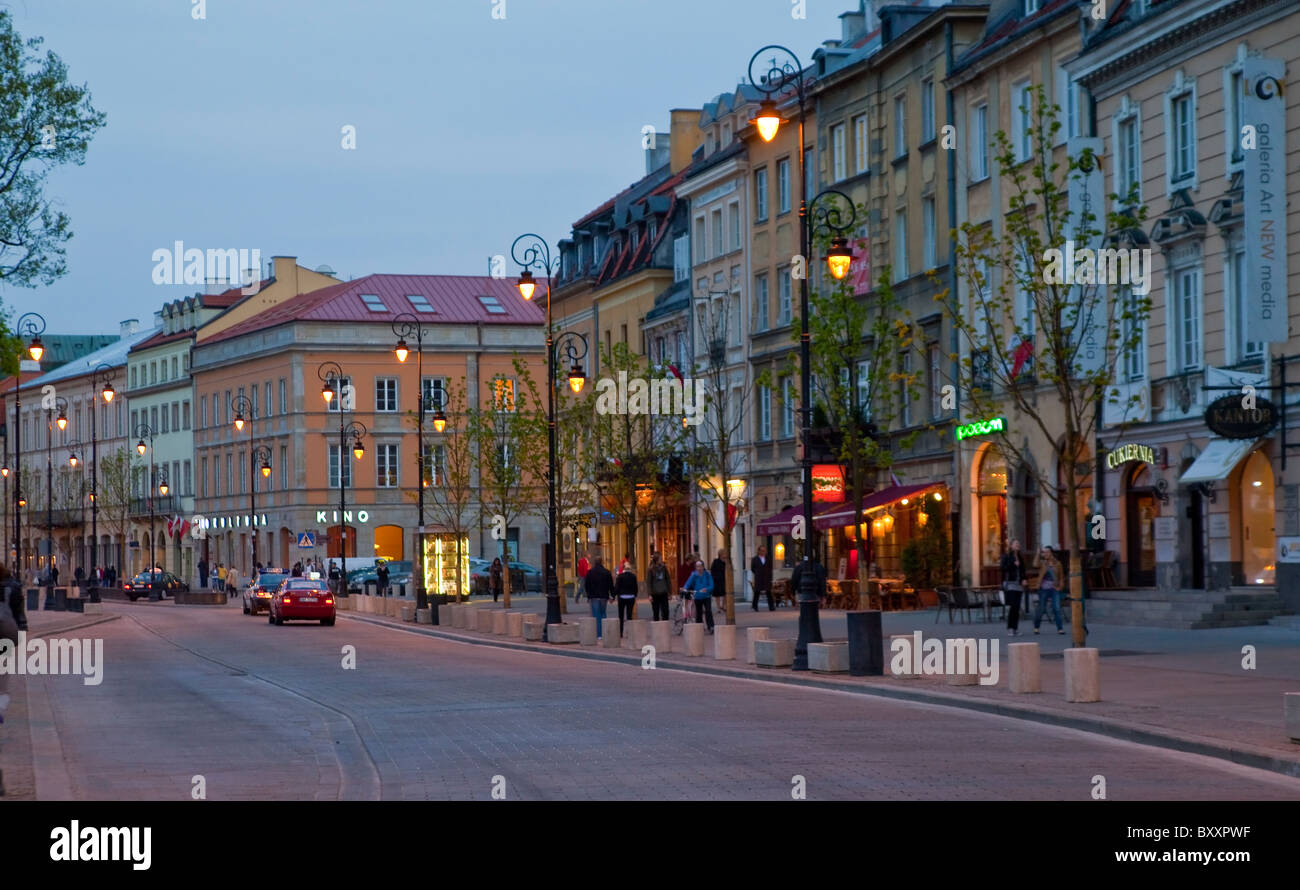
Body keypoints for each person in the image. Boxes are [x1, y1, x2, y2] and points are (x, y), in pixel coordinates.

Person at [1033, 546, 1065, 634]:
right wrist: (1038, 553)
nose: (1045, 554)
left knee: (1057, 608)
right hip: (1043, 589)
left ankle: (1060, 628)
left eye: (1047, 552)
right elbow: (1035, 564)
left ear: (1051, 553)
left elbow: (1061, 577)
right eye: (1044, 552)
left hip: (1054, 588)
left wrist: (1060, 587)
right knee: (1041, 608)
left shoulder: (1058, 564)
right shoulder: (1043, 563)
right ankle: (1036, 627)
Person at [1001, 538, 1028, 636]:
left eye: (1018, 544)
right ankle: (1010, 628)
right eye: (1016, 544)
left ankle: (1015, 628)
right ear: (1011, 546)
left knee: (1017, 607)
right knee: (1013, 606)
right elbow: (1003, 568)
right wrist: (1013, 564)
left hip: (1019, 584)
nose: (1018, 545)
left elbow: (1023, 570)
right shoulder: (1007, 556)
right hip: (1010, 583)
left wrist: (1024, 579)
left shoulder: (1020, 557)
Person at [583, 555, 613, 639]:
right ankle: (605, 633)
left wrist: (588, 596)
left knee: (596, 615)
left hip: (594, 597)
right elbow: (610, 585)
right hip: (604, 596)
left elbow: (587, 585)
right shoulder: (607, 572)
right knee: (603, 614)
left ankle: (599, 634)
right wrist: (612, 596)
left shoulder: (590, 572)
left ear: (595, 562)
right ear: (602, 562)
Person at [682, 560, 714, 633]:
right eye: (697, 567)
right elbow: (688, 583)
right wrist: (685, 588)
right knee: (698, 613)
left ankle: (711, 626)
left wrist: (707, 589)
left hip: (706, 596)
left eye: (700, 566)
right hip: (698, 596)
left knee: (708, 611)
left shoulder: (707, 574)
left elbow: (711, 585)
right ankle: (699, 628)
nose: (698, 568)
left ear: (703, 567)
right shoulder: (694, 575)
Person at [647, 552, 672, 621]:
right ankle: (657, 629)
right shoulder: (651, 569)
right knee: (656, 613)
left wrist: (670, 592)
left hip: (664, 593)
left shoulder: (664, 568)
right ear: (657, 559)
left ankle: (665, 628)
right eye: (660, 558)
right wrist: (649, 594)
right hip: (655, 594)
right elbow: (649, 582)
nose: (661, 559)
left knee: (666, 612)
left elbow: (668, 580)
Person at [614, 562, 638, 635]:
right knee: (629, 615)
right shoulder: (633, 576)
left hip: (622, 597)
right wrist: (634, 595)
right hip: (631, 597)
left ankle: (620, 632)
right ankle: (630, 632)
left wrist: (613, 595)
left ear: (624, 568)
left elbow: (617, 588)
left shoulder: (620, 576)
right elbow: (635, 588)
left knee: (621, 615)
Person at [751, 545, 774, 612]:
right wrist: (757, 573)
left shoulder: (768, 558)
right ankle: (755, 606)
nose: (763, 552)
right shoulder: (755, 559)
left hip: (767, 578)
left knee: (768, 592)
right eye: (762, 550)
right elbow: (752, 568)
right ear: (759, 551)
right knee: (757, 592)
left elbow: (770, 568)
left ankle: (771, 607)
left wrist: (770, 577)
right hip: (759, 578)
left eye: (764, 551)